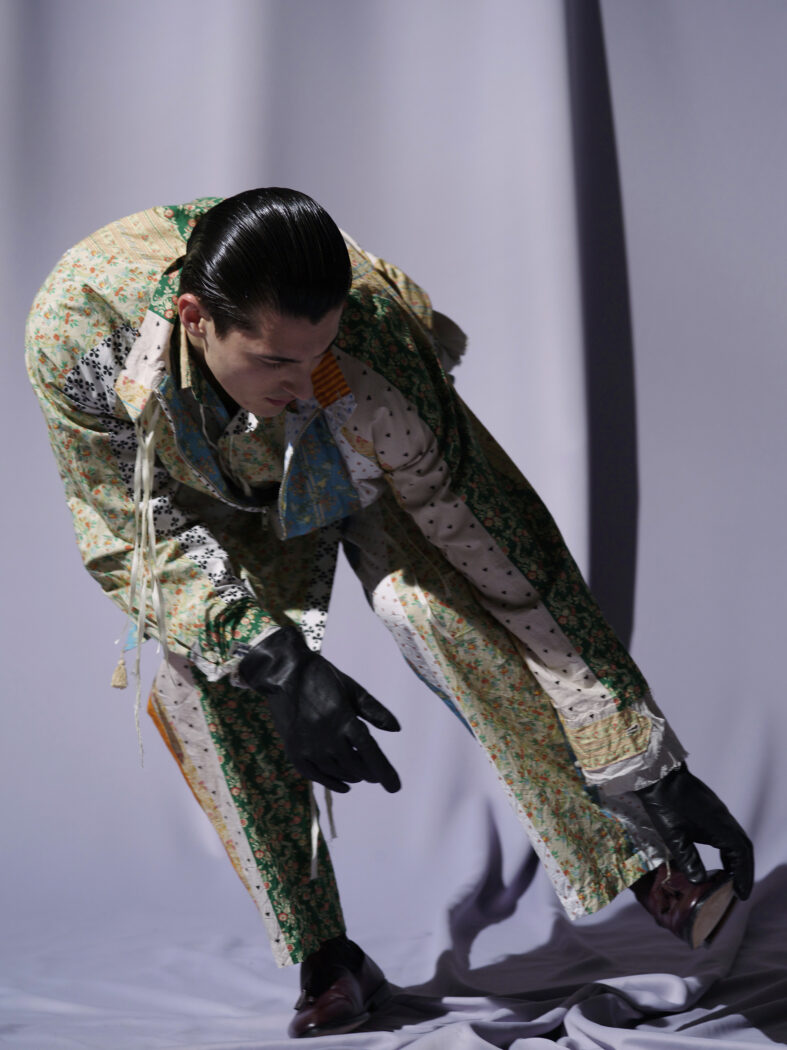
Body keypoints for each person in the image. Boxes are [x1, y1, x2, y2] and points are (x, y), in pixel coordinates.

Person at [26, 188, 753, 1039]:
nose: (301, 381)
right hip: (202, 488)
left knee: (443, 613)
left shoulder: (366, 349)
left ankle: (644, 857)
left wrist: (645, 761)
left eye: (317, 351)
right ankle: (326, 956)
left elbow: (511, 560)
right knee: (213, 677)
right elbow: (125, 533)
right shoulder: (80, 335)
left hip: (348, 445)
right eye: (275, 360)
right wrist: (273, 658)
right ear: (194, 319)